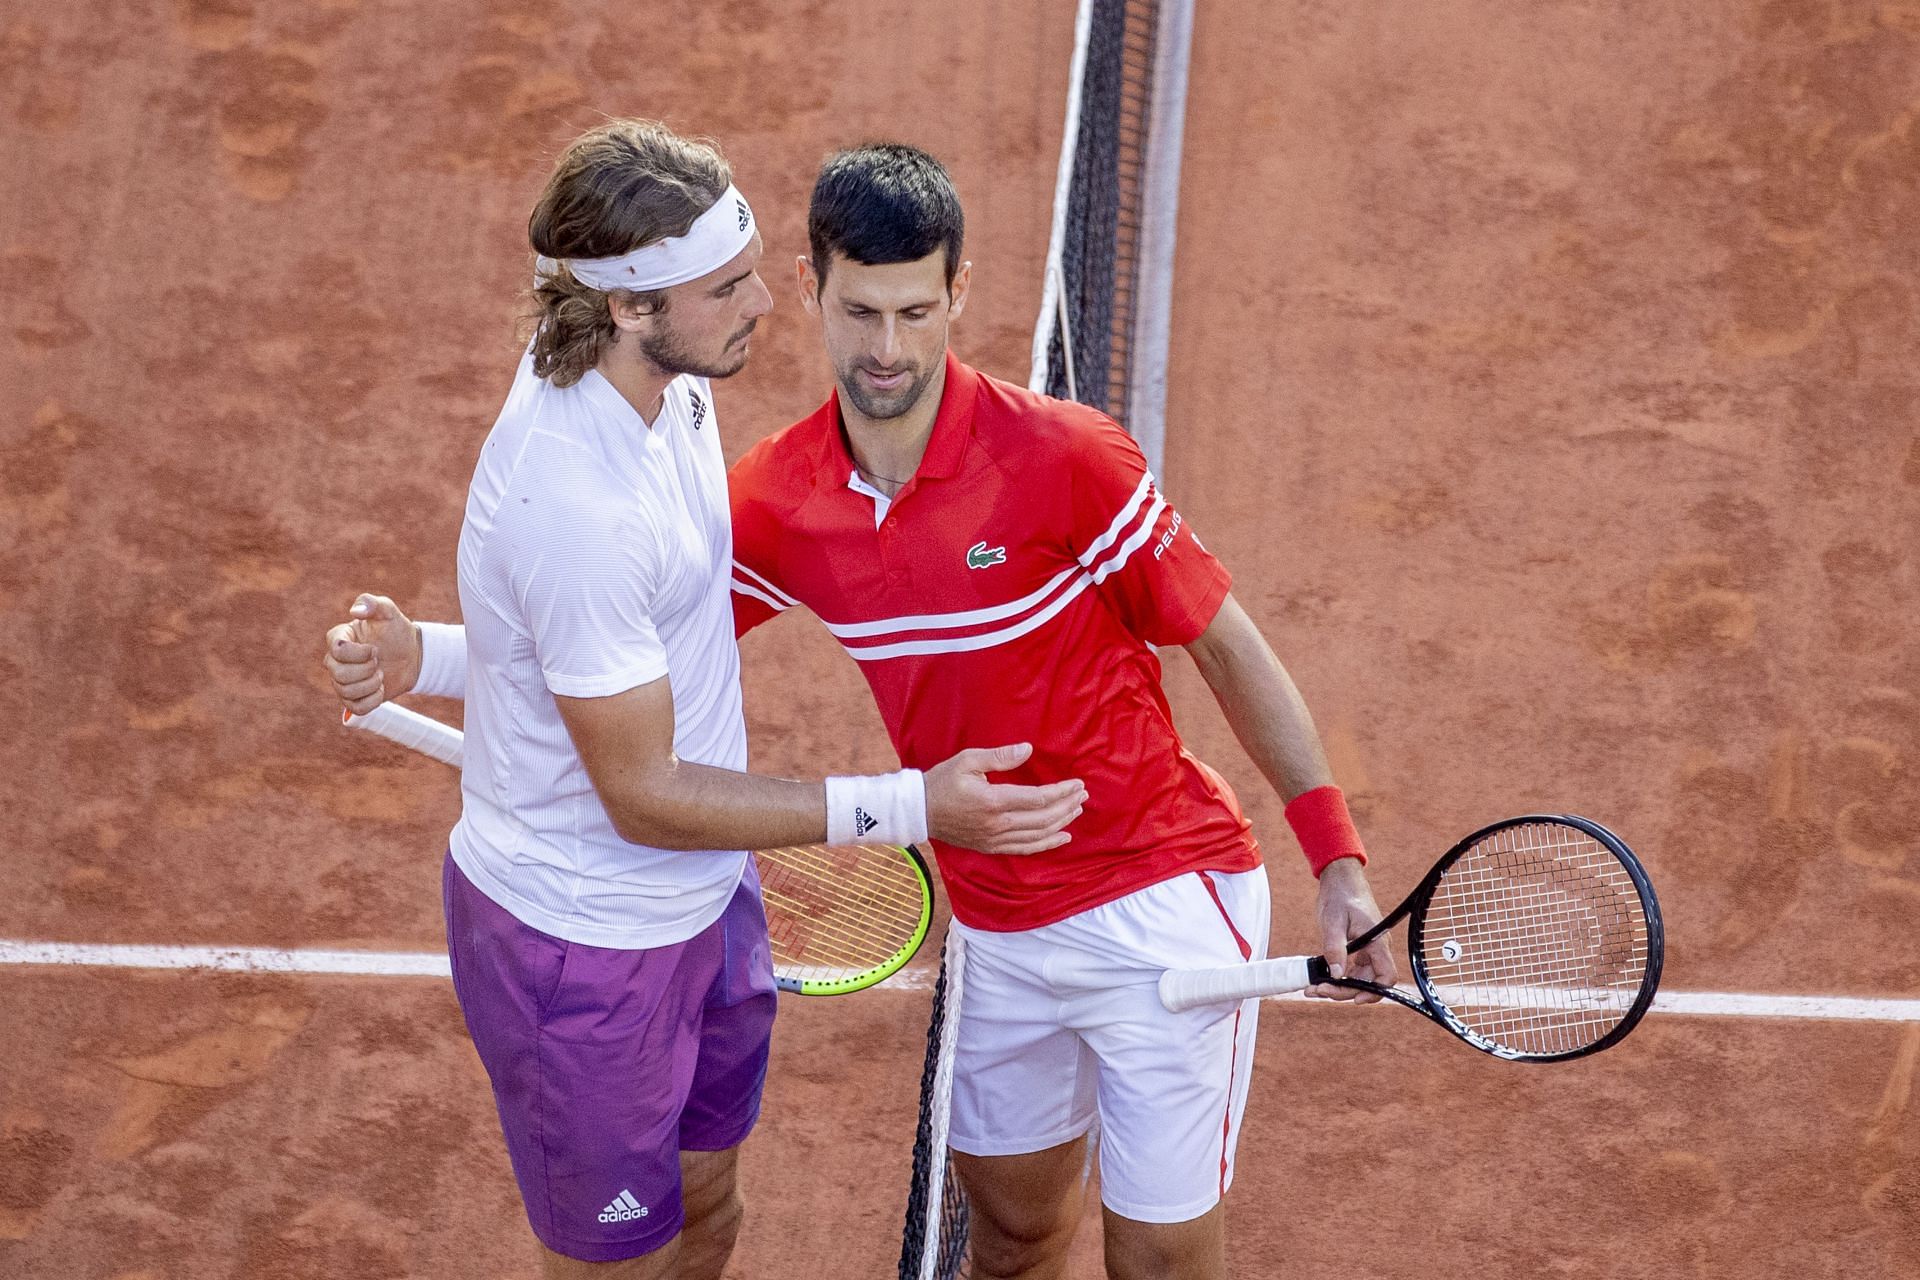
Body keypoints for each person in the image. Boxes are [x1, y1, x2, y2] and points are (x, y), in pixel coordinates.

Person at [321, 120, 1084, 1280]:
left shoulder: (663, 382)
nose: (761, 305)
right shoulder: (573, 497)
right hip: (584, 951)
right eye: (725, 287)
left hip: (704, 902)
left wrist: (425, 654)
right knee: (620, 1262)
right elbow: (643, 791)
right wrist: (909, 806)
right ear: (629, 307)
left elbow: (587, 645)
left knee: (711, 1213)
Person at [724, 144, 1398, 1280]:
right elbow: (624, 634)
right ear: (808, 289)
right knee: (1017, 1237)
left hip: (1159, 897)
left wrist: (1338, 858)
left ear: (961, 294)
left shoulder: (1066, 457)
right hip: (996, 928)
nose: (887, 349)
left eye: (916, 311)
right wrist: (440, 654)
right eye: (859, 311)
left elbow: (1228, 647)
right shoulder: (779, 501)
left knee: (1159, 1262)